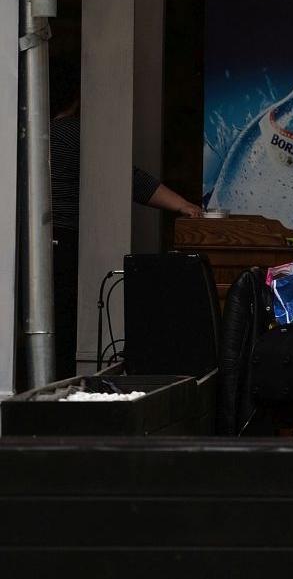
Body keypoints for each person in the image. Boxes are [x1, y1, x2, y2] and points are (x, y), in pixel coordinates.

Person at [49, 57, 203, 379]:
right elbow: (126, 177)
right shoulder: (74, 132)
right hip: (65, 239)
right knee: (66, 320)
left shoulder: (34, 136)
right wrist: (184, 206)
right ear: (78, 97)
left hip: (37, 240)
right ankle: (64, 382)